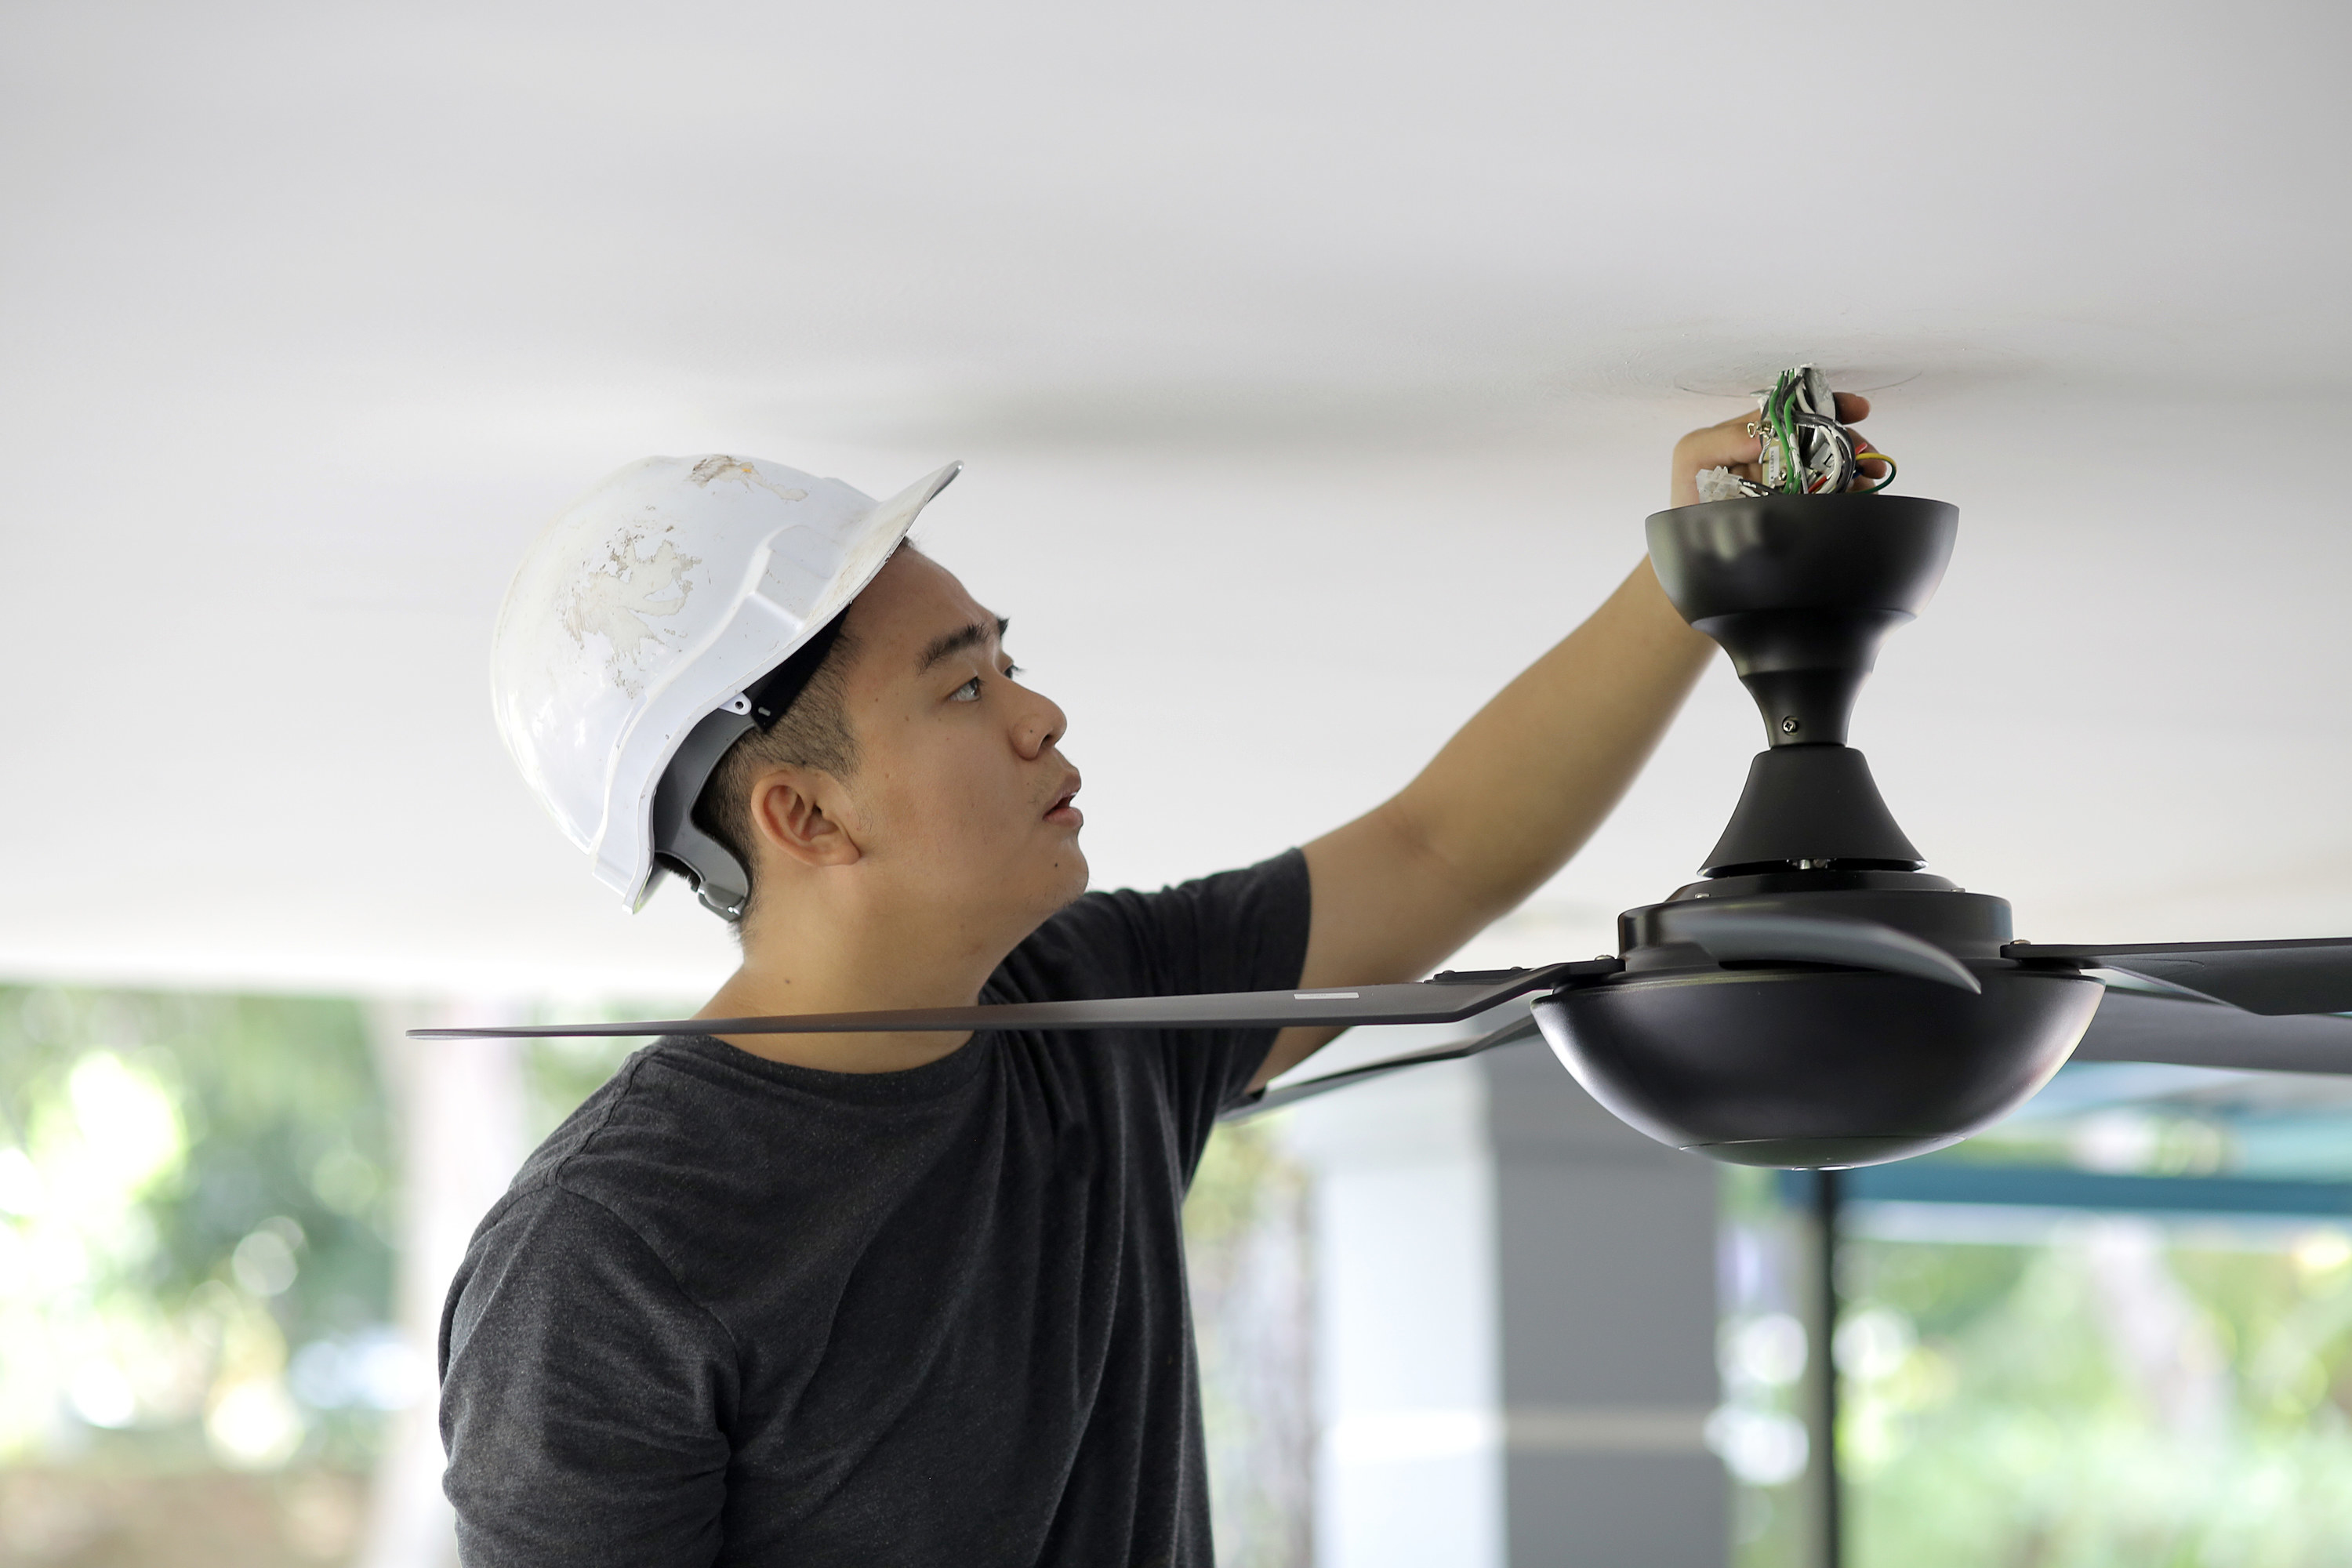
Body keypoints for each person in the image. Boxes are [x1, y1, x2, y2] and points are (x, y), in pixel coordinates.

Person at [439, 398, 1882, 1566]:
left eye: (1007, 661)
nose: (1040, 711)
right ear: (807, 819)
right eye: (962, 687)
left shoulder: (1086, 1013)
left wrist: (1702, 563)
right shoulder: (607, 1263)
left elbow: (1436, 853)